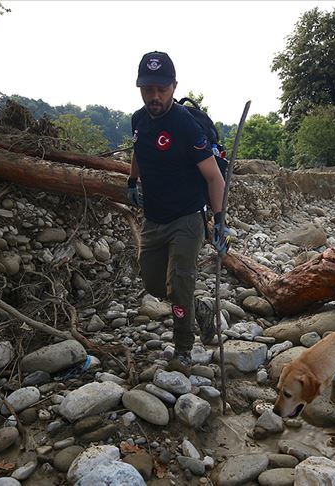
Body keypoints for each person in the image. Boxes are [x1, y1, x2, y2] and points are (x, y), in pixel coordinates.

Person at [127, 51, 230, 373]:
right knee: (155, 285)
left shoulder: (185, 124)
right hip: (153, 218)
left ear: (173, 86)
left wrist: (219, 221)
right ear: (139, 87)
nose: (154, 96)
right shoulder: (139, 120)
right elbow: (139, 151)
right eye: (148, 89)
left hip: (187, 218)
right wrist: (132, 180)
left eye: (161, 88)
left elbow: (214, 176)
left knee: (180, 284)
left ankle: (183, 349)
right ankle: (200, 309)